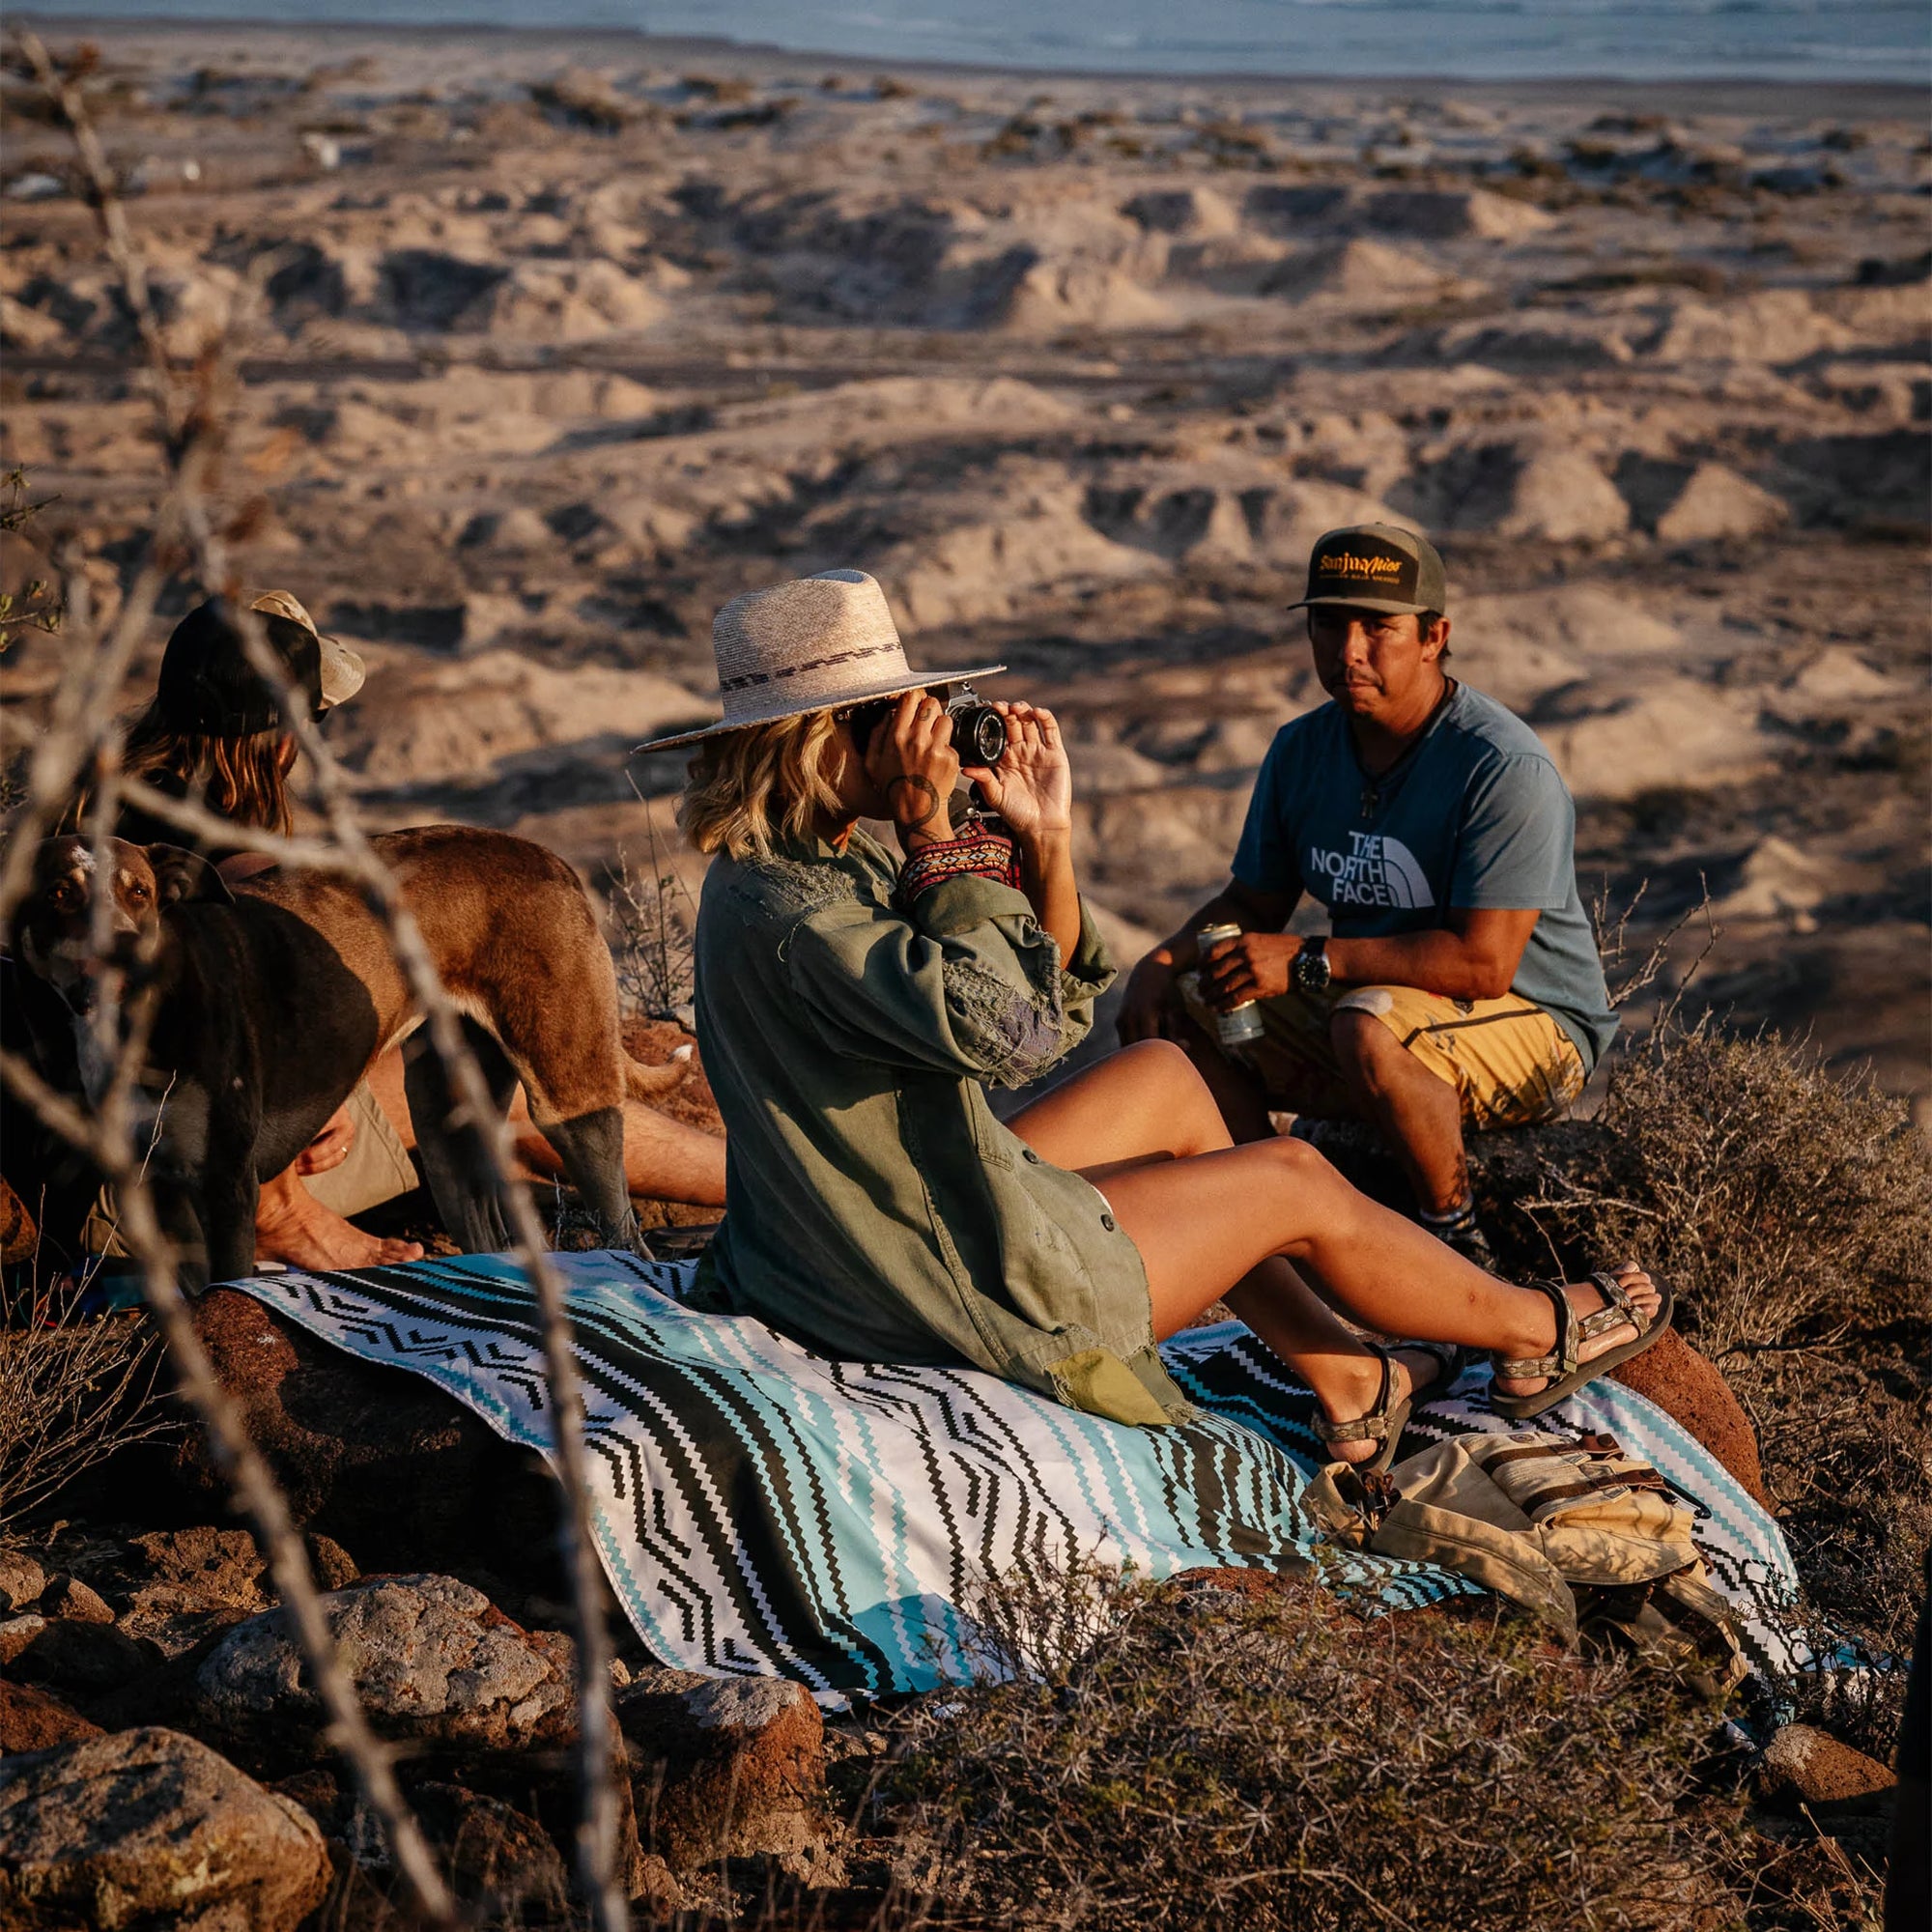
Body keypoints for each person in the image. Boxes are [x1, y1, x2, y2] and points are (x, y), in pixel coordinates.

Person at [641, 568, 1668, 1463]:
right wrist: (937, 835)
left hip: (884, 1208)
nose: (927, 737)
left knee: (1176, 1082)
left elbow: (1046, 1008)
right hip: (925, 1281)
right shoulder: (802, 912)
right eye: (895, 716)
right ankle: (1533, 1326)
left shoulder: (812, 859)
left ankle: (1354, 1383)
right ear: (820, 738)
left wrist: (1043, 844)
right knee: (1290, 1177)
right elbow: (1004, 1037)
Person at [75, 594, 725, 1273]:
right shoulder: (227, 870)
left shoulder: (117, 808)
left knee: (468, 1058)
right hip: (179, 1189)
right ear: (278, 733)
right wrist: (328, 1083)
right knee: (500, 1096)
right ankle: (754, 1187)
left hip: (125, 1152)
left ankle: (504, 1256)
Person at [1120, 524, 1618, 1269]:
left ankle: (1455, 1242)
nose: (1348, 649)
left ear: (1432, 636)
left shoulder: (1499, 765)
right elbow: (1254, 905)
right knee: (1190, 1003)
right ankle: (1267, 1216)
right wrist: (1160, 962)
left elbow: (1484, 966)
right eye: (1328, 623)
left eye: (1377, 626)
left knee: (1369, 1023)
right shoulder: (1301, 750)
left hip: (1535, 1023)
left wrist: (1310, 961)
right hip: (1382, 1006)